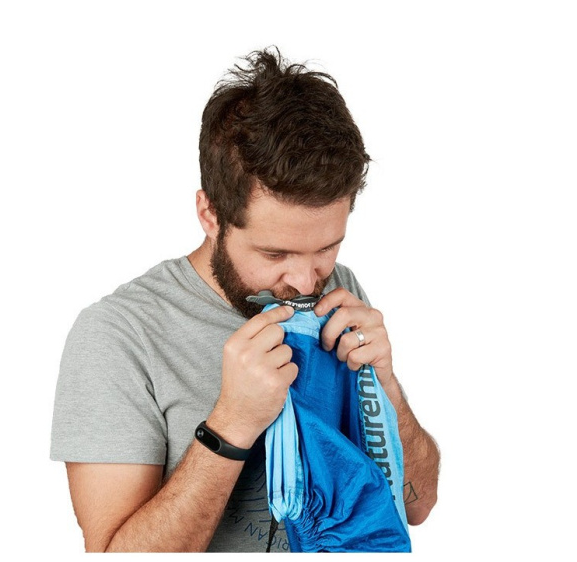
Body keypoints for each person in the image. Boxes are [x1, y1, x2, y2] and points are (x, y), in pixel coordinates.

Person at [50, 47, 440, 552]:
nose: (305, 282)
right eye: (275, 253)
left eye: (326, 247)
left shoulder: (338, 290)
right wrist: (232, 423)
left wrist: (386, 390)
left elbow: (417, 505)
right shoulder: (118, 336)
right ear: (210, 214)